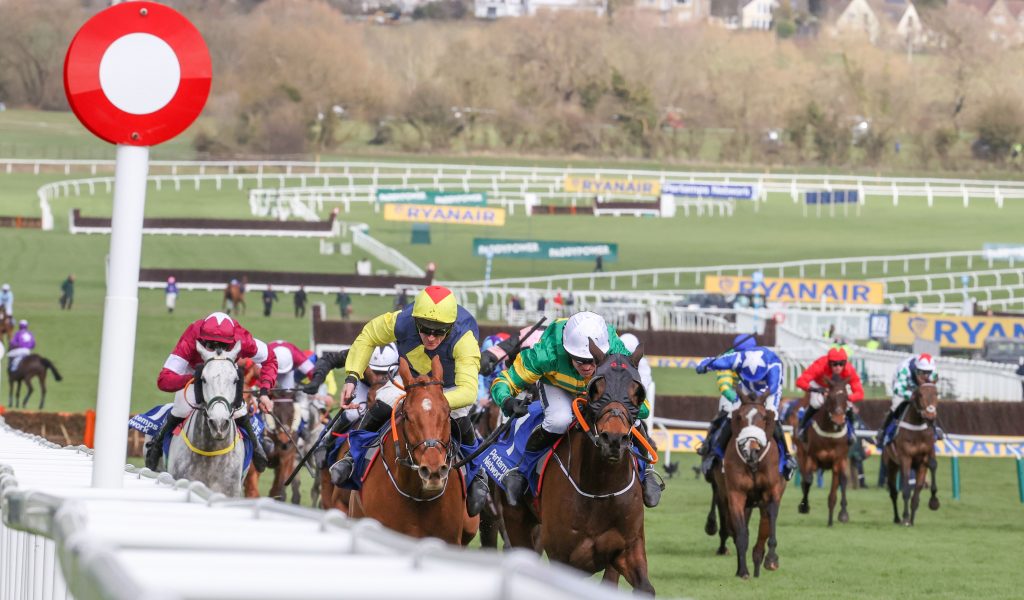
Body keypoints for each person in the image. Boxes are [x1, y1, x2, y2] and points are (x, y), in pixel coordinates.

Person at [306, 286, 484, 509]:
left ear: (450, 327)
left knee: (462, 420)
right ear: (416, 321)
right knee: (380, 407)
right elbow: (368, 336)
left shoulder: (464, 338)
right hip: (409, 382)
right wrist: (352, 376)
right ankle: (352, 458)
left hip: (448, 388)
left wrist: (429, 406)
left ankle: (478, 476)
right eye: (425, 329)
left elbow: (468, 391)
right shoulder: (401, 321)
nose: (431, 337)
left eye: (439, 332)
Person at [482, 311, 662, 509]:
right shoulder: (546, 352)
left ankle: (646, 472)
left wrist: (632, 408)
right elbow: (505, 380)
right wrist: (506, 401)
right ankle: (522, 472)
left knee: (631, 419)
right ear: (567, 351)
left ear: (603, 351)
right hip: (557, 385)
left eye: (592, 360)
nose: (586, 366)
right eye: (579, 359)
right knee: (559, 420)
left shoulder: (615, 348)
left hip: (600, 384)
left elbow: (641, 407)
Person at [147, 312, 278, 472]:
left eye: (223, 346)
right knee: (182, 406)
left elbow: (270, 358)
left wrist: (264, 391)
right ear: (201, 338)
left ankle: (257, 448)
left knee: (239, 410)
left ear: (233, 341)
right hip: (195, 373)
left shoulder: (243, 339)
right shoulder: (191, 335)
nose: (217, 350)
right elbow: (164, 380)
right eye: (210, 344)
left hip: (226, 374)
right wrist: (193, 377)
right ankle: (157, 445)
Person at [695, 341, 797, 480]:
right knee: (733, 413)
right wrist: (703, 366)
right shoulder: (738, 358)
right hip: (747, 387)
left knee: (772, 413)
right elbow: (714, 362)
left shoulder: (774, 363)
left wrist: (759, 401)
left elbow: (772, 387)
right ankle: (715, 453)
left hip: (768, 390)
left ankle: (786, 456)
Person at [307, 343, 401, 437]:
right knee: (352, 414)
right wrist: (317, 378)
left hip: (393, 384)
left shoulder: (402, 357)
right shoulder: (359, 353)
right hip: (363, 385)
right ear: (365, 363)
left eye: (386, 372)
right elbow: (329, 359)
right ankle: (328, 441)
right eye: (376, 372)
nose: (380, 378)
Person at [696, 334, 754, 468]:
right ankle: (713, 452)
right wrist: (734, 398)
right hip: (733, 395)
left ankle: (785, 455)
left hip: (754, 397)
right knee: (725, 417)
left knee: (772, 419)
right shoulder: (728, 359)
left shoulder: (758, 357)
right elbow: (725, 385)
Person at [794, 347, 864, 442]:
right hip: (820, 385)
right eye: (834, 364)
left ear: (845, 363)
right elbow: (800, 381)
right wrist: (816, 389)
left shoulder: (849, 370)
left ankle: (851, 432)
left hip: (839, 388)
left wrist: (847, 398)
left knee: (848, 405)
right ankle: (802, 427)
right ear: (829, 363)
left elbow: (860, 393)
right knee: (816, 403)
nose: (838, 367)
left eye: (841, 364)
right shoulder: (820, 365)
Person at [875, 353, 942, 447]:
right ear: (916, 368)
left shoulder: (933, 371)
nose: (925, 375)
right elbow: (897, 389)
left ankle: (935, 428)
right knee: (896, 405)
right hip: (905, 387)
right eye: (922, 372)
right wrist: (912, 396)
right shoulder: (904, 369)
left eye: (928, 372)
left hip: (920, 389)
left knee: (930, 405)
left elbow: (931, 388)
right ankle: (882, 432)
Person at [620, 333, 655, 426]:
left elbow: (641, 387)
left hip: (632, 409)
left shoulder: (643, 365)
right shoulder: (613, 361)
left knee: (642, 414)